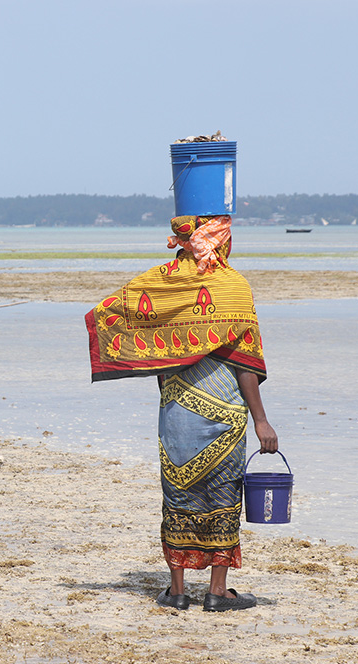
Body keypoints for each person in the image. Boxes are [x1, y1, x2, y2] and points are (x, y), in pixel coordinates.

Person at [85, 214, 278, 612]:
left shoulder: (161, 285)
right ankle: (217, 592)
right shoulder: (234, 288)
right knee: (223, 495)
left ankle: (176, 592)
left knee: (178, 496)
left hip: (176, 412)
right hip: (225, 413)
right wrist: (261, 420)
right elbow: (245, 362)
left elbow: (118, 319)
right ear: (221, 243)